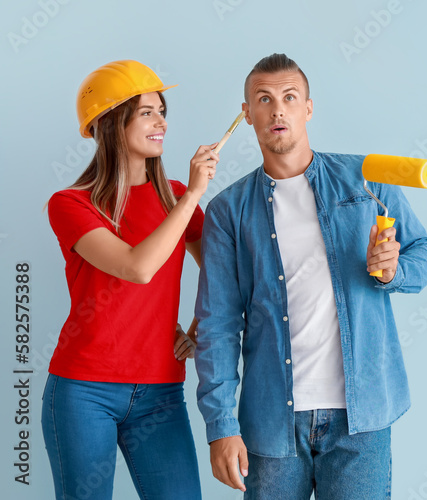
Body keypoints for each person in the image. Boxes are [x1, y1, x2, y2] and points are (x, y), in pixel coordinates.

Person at [195, 53, 427, 499]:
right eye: (264, 99)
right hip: (272, 424)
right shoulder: (228, 212)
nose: (278, 109)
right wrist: (220, 425)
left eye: (290, 97)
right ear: (247, 115)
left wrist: (392, 271)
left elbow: (426, 254)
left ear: (308, 108)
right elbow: (218, 325)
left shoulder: (366, 180)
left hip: (361, 419)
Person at [43, 60, 218, 500]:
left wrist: (201, 327)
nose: (160, 122)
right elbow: (136, 267)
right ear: (108, 123)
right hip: (83, 392)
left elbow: (224, 273)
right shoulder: (70, 204)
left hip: (161, 391)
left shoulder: (176, 197)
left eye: (162, 111)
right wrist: (195, 193)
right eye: (145, 112)